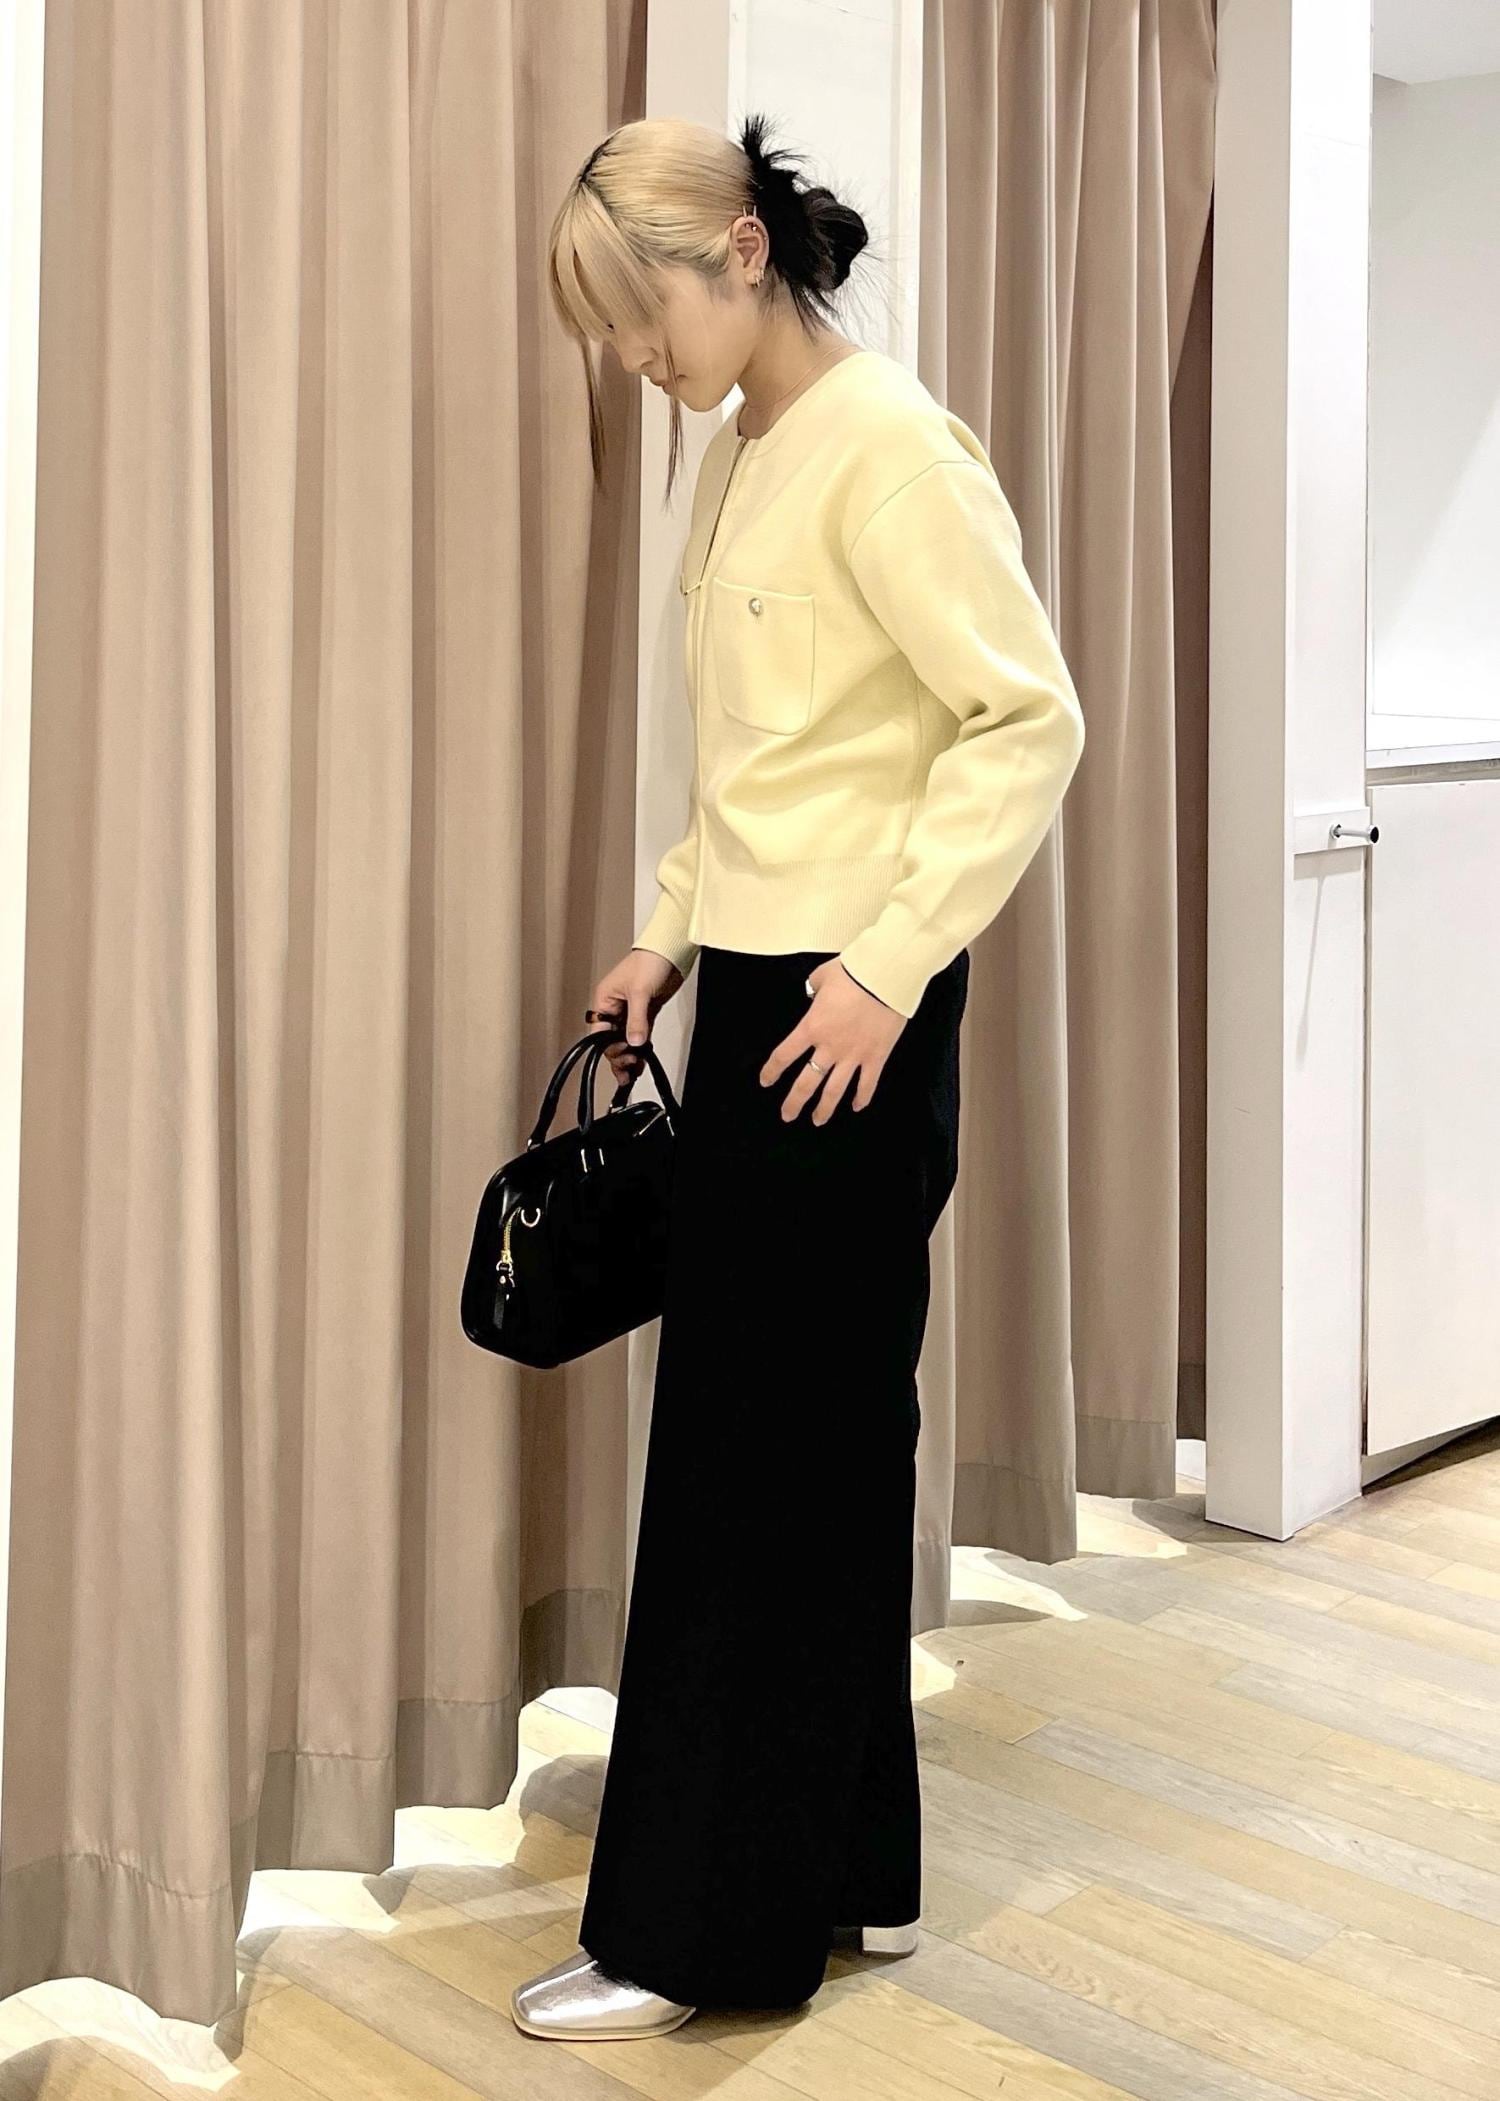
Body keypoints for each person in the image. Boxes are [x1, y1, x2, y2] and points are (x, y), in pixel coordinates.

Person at [511, 111, 1085, 2041]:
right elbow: (762, 767)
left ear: (743, 252)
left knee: (753, 1471)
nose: (632, 357)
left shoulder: (892, 448)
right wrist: (670, 934)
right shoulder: (741, 452)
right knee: (815, 1458)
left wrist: (885, 974)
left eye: (642, 314)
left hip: (848, 1022)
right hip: (764, 997)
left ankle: (698, 1938)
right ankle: (851, 1875)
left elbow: (1025, 721)